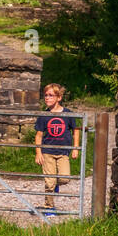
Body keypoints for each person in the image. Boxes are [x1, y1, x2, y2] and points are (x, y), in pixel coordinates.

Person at [34, 83, 79, 217]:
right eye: (46, 95)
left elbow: (75, 131)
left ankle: (55, 185)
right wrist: (38, 152)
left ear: (59, 97)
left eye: (51, 95)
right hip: (47, 152)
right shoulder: (44, 115)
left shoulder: (68, 114)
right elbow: (39, 135)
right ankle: (49, 207)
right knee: (49, 181)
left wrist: (75, 148)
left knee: (65, 178)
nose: (47, 98)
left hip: (63, 152)